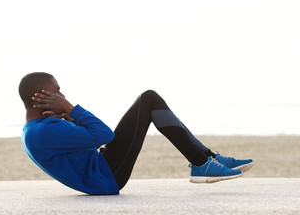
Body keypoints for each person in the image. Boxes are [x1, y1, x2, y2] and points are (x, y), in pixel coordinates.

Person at [19, 72, 253, 195]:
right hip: (107, 175)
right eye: (56, 91)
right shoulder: (44, 132)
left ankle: (207, 158)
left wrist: (68, 116)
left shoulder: (39, 128)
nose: (62, 95)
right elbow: (104, 134)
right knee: (148, 99)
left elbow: (86, 142)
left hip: (102, 170)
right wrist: (71, 109)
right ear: (38, 96)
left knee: (148, 99)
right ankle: (202, 162)